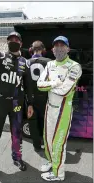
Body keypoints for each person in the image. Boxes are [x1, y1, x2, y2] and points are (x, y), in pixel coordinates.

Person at [0, 31, 34, 183]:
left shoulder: (25, 62)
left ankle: (17, 158)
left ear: (21, 43)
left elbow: (28, 85)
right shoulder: (0, 56)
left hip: (16, 104)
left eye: (16, 39)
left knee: (17, 134)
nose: (13, 41)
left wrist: (30, 103)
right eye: (10, 39)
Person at [37, 36, 82, 181]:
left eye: (62, 45)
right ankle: (51, 162)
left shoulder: (74, 66)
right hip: (49, 108)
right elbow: (39, 85)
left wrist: (49, 85)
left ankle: (58, 174)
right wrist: (56, 83)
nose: (59, 48)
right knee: (47, 139)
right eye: (56, 45)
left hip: (63, 111)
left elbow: (65, 91)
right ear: (52, 49)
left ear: (68, 48)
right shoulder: (50, 64)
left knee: (58, 142)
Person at [28, 41, 51, 152]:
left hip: (30, 98)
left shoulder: (27, 62)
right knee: (44, 120)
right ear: (43, 50)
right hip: (45, 96)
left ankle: (36, 145)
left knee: (32, 122)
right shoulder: (49, 62)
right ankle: (45, 142)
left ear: (31, 50)